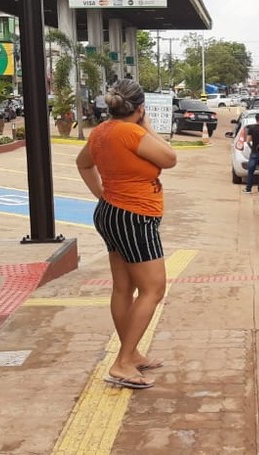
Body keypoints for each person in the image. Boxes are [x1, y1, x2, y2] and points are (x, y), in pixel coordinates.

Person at [75, 79, 178, 390]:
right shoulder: (132, 132)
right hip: (134, 217)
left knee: (124, 287)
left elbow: (83, 164)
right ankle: (122, 362)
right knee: (153, 289)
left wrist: (103, 195)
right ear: (140, 107)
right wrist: (147, 126)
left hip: (111, 214)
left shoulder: (102, 132)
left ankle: (130, 354)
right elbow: (169, 158)